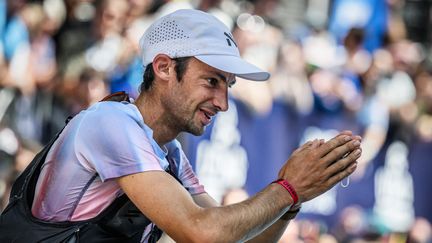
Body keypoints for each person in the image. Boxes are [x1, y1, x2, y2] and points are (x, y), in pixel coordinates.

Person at [0, 9, 362, 242]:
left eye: (228, 86)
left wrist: (296, 198)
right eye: (211, 82)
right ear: (163, 68)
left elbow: (233, 238)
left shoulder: (166, 147)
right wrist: (288, 188)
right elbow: (201, 232)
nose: (222, 103)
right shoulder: (111, 123)